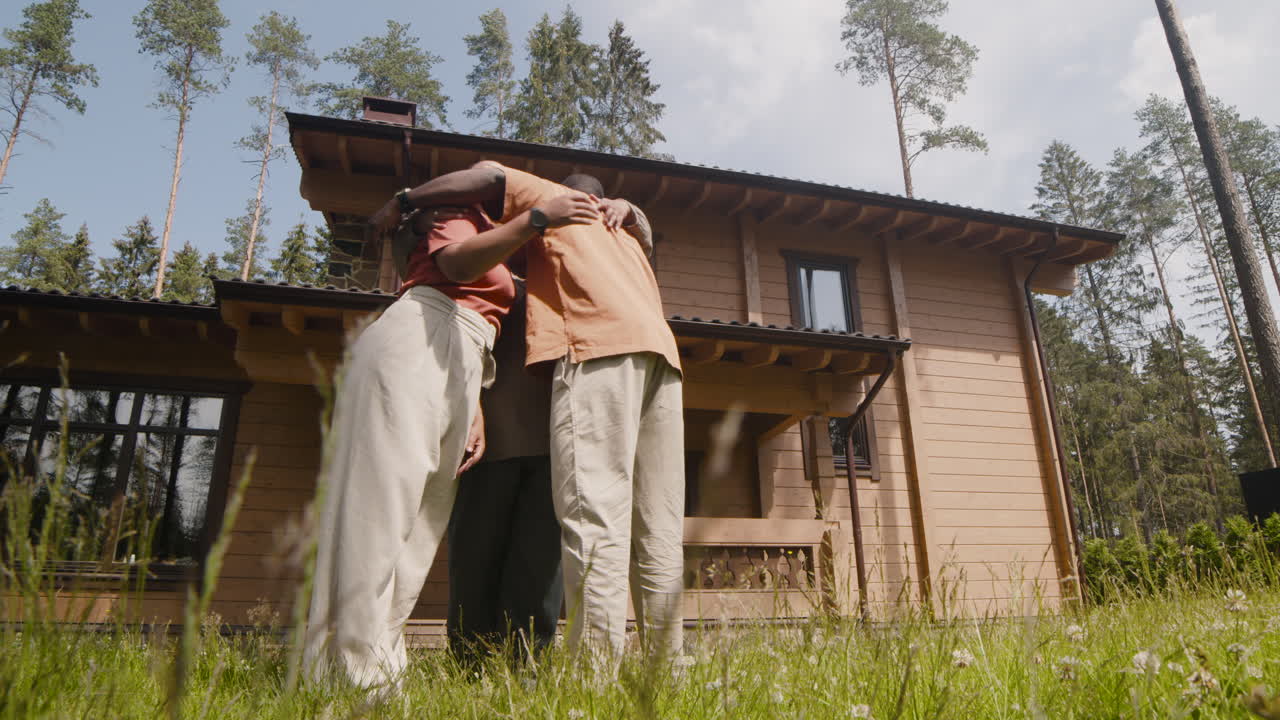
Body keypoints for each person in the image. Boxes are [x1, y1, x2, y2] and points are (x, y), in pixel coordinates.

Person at [372, 163, 686, 664]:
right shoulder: (627, 241)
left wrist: (406, 198)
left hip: (586, 375)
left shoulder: (561, 217)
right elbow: (641, 226)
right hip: (659, 365)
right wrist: (629, 211)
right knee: (658, 529)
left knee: (590, 525)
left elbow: (488, 176)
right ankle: (664, 668)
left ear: (572, 198)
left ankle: (594, 676)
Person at [303, 177, 599, 690]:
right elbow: (455, 267)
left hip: (490, 394)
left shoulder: (551, 270)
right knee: (390, 525)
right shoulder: (472, 223)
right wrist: (534, 217)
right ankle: (351, 674)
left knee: (427, 537)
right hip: (435, 364)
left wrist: (472, 401)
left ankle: (383, 669)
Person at [445, 203, 654, 669]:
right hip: (491, 446)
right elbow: (469, 343)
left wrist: (631, 211)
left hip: (558, 453)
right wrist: (472, 404)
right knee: (475, 556)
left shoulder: (594, 290)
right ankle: (467, 665)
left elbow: (645, 255)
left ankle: (524, 669)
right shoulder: (506, 282)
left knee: (537, 568)